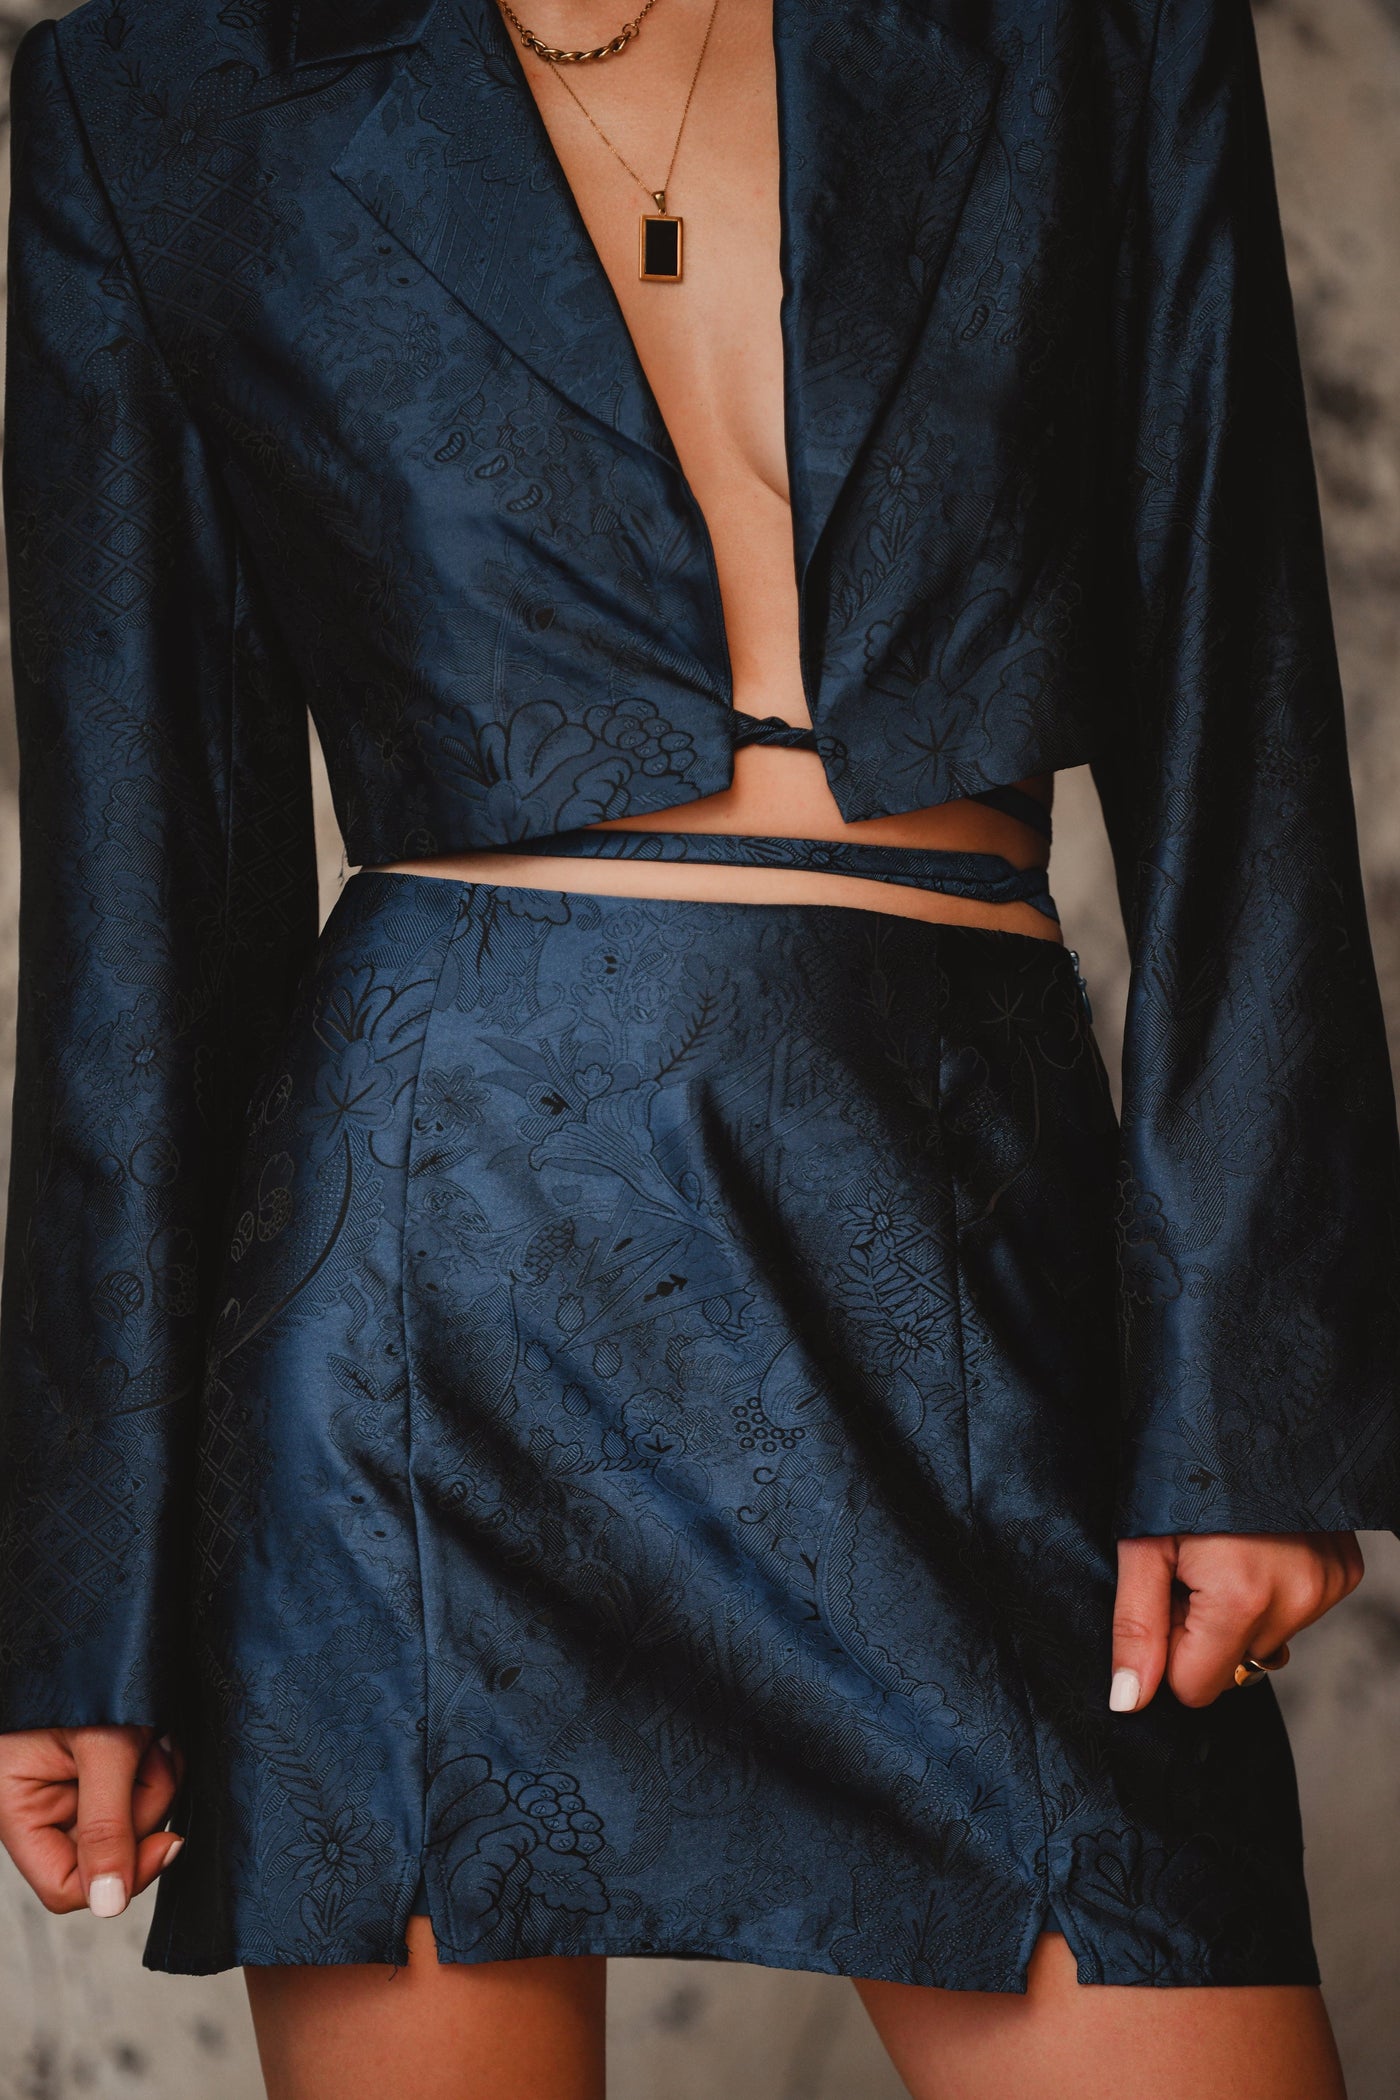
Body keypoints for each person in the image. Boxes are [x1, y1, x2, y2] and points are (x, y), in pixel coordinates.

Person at [0, 0, 1395, 2094]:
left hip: (958, 1239)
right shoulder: (158, 91)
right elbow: (139, 894)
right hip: (427, 1307)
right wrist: (85, 1600)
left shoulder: (1090, 32)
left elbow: (1241, 698)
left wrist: (1250, 1413)